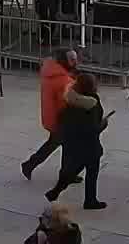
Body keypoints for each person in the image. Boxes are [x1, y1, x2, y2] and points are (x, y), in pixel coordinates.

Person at [46, 73, 108, 210]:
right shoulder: (92, 103)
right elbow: (93, 128)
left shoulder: (70, 99)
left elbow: (64, 119)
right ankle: (90, 200)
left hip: (74, 143)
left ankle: (55, 191)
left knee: (74, 169)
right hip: (90, 146)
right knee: (92, 172)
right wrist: (103, 124)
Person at [22, 47, 78, 180]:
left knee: (57, 145)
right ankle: (65, 174)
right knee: (66, 147)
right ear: (64, 60)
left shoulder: (51, 73)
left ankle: (30, 165)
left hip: (53, 117)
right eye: (72, 59)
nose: (76, 61)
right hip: (62, 119)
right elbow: (68, 102)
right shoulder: (63, 80)